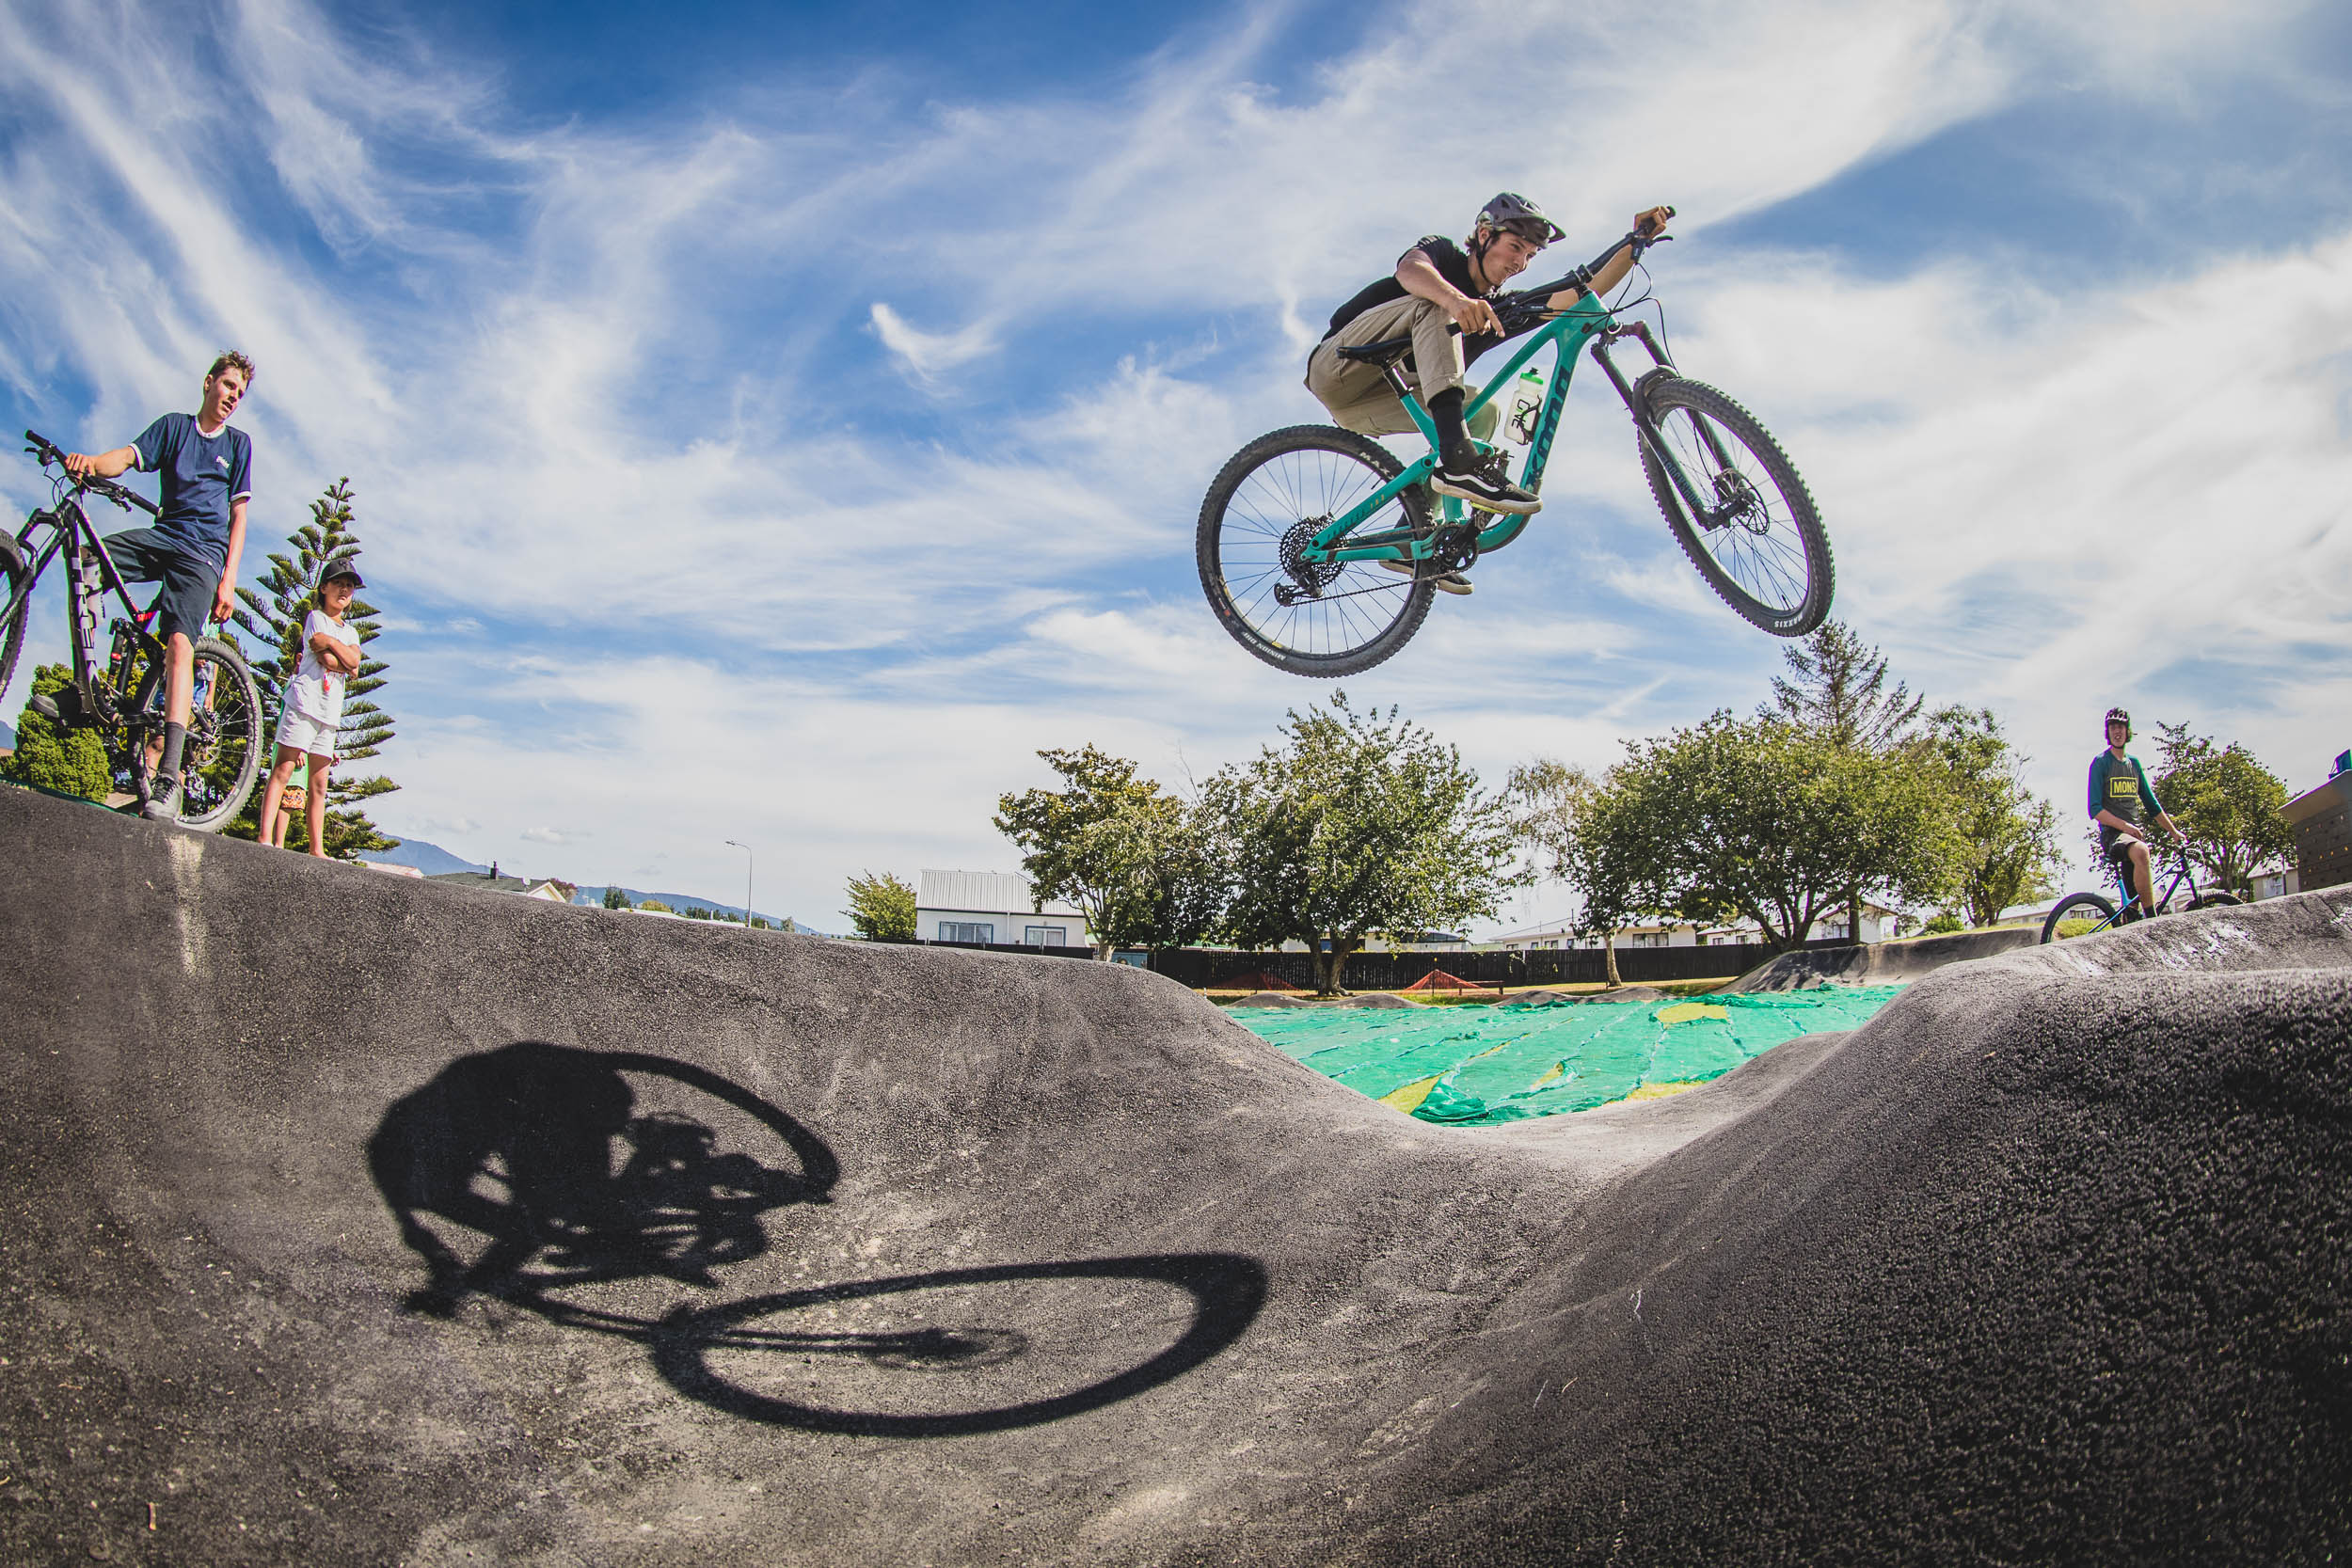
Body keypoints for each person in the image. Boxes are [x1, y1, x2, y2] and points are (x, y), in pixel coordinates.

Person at [1306, 194, 1674, 594]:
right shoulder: (1442, 256)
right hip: (1340, 368)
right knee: (1434, 306)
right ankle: (1459, 461)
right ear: (1484, 235)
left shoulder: (1499, 311)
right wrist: (1456, 300)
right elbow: (1409, 270)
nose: (1520, 262)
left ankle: (1409, 542)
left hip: (1378, 404)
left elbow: (1577, 295)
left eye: (1531, 255)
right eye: (1515, 247)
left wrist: (1635, 243)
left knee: (1483, 412)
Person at [58, 354, 256, 821]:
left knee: (180, 645)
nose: (232, 397)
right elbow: (125, 458)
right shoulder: (173, 428)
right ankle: (83, 690)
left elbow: (239, 517)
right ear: (208, 383)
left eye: (240, 393)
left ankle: (167, 778)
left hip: (203, 555)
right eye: (228, 385)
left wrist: (228, 579)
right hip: (164, 535)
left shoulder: (239, 444)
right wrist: (89, 464)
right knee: (87, 560)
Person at [254, 560, 364, 858]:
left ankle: (318, 849)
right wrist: (343, 660)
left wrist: (334, 648)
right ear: (324, 587)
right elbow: (333, 662)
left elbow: (354, 664)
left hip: (329, 713)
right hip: (304, 703)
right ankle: (265, 837)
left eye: (350, 585)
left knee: (318, 784)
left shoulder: (352, 633)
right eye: (338, 582)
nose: (344, 589)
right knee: (283, 769)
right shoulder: (316, 617)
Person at [2088, 706, 2184, 922]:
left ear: (2127, 731)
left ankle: (2132, 917)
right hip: (2113, 834)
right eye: (2112, 727)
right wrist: (2125, 827)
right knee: (2142, 852)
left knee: (2133, 900)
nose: (2117, 731)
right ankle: (2152, 920)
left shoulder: (2134, 764)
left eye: (2120, 726)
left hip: (2133, 835)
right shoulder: (2101, 763)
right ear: (2107, 732)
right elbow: (2095, 810)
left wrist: (2174, 832)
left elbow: (2151, 804)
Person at [266, 757, 308, 848]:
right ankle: (277, 843)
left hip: (300, 763)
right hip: (294, 760)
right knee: (287, 799)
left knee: (289, 802)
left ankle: (276, 842)